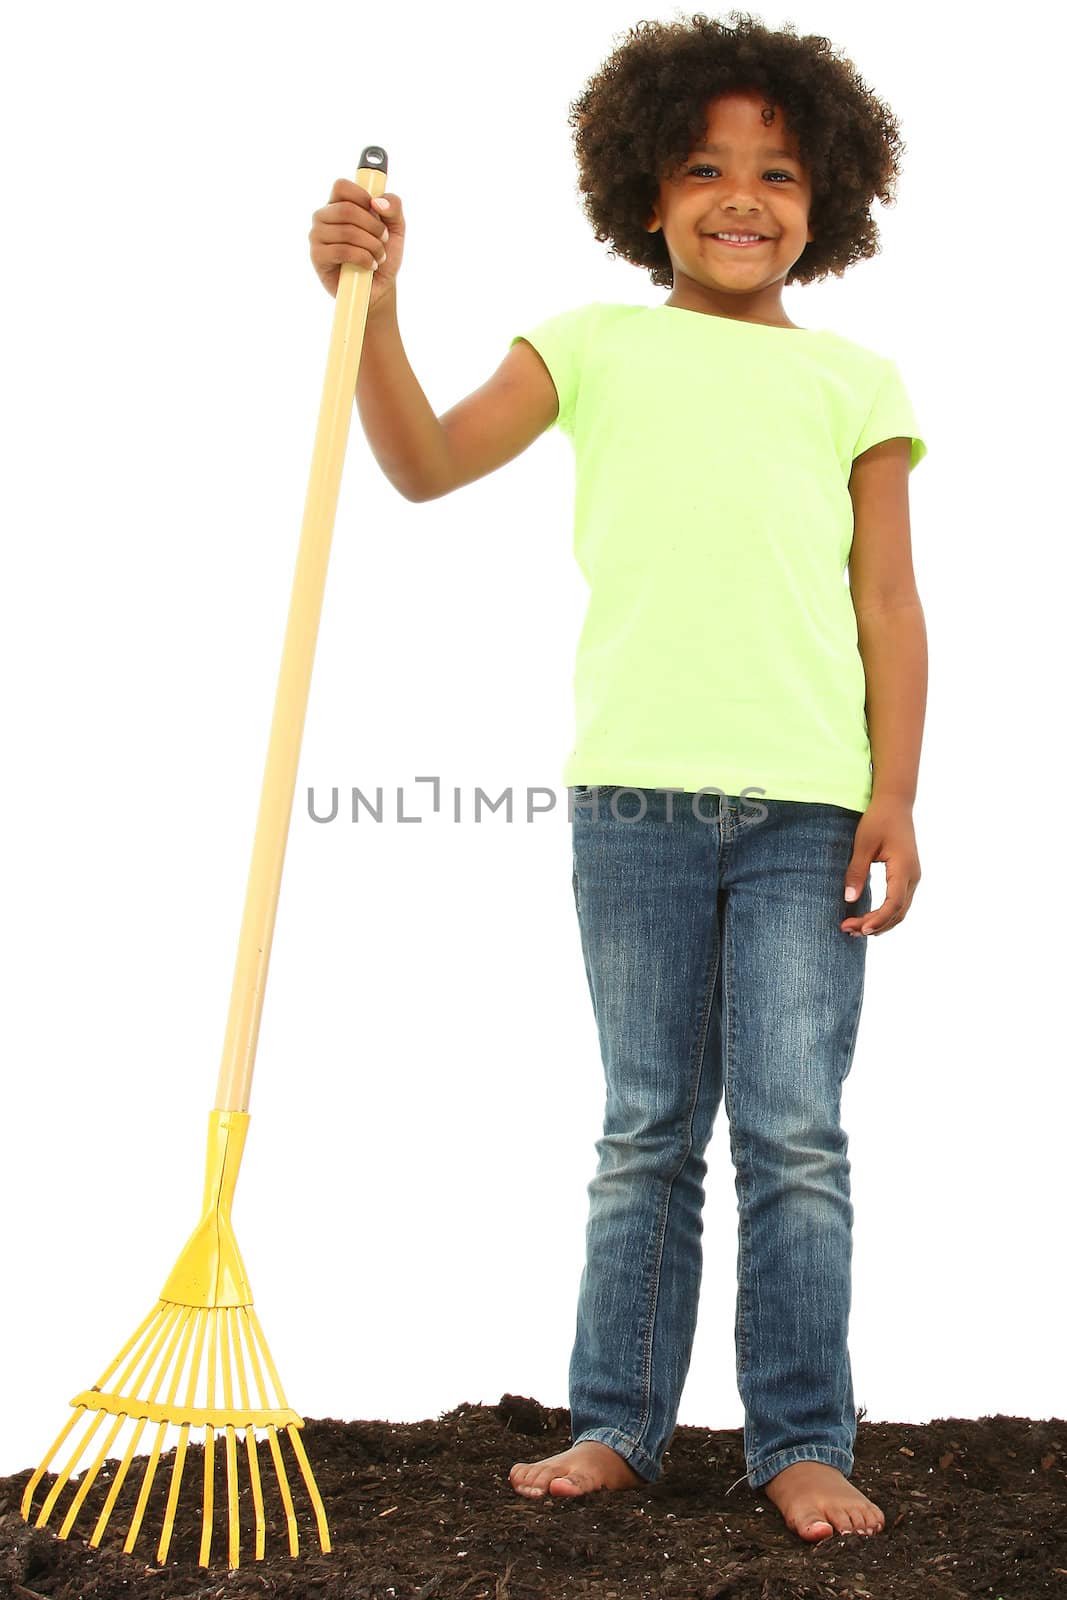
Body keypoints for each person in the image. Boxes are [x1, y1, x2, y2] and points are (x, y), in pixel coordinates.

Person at [308, 11, 928, 1548]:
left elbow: (890, 608)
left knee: (794, 1129)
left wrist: (896, 797)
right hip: (633, 803)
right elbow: (424, 462)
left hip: (806, 808)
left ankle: (797, 1435)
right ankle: (617, 1424)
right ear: (642, 191)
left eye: (780, 174)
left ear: (827, 199)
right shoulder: (589, 344)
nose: (743, 197)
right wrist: (371, 306)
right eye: (705, 167)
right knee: (648, 1122)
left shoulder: (856, 380)